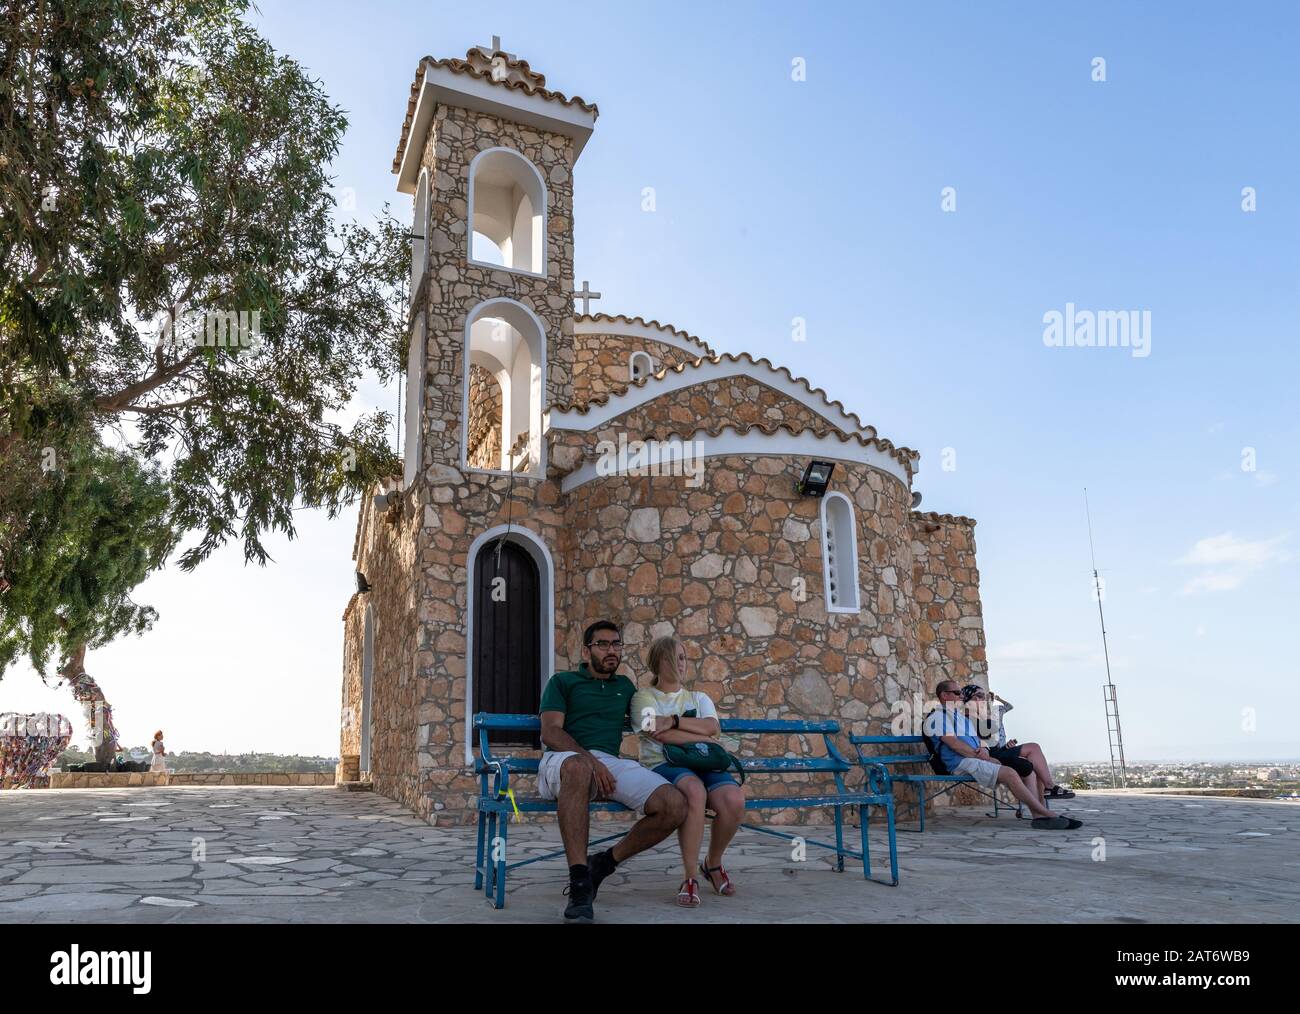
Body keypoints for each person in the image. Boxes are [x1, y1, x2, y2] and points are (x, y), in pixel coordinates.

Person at [538, 620, 688, 922]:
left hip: (609, 761)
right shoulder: (563, 682)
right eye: (603, 644)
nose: (611, 651)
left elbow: (649, 720)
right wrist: (592, 762)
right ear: (586, 650)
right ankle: (580, 883)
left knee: (675, 804)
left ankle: (604, 863)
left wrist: (688, 721)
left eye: (616, 644)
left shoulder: (625, 688)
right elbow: (551, 733)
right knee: (580, 768)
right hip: (564, 760)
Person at [631, 634, 745, 907]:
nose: (683, 664)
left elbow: (712, 727)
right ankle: (690, 877)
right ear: (660, 660)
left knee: (734, 800)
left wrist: (673, 721)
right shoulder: (643, 697)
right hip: (664, 763)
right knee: (694, 792)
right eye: (677, 657)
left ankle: (713, 864)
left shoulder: (698, 697)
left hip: (703, 761)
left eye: (684, 658)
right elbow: (658, 735)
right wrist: (701, 737)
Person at [923, 681, 1081, 830]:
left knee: (1029, 771)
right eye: (957, 693)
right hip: (961, 763)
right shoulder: (938, 717)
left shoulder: (961, 719)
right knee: (1010, 773)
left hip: (973, 758)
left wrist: (984, 751)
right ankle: (1049, 814)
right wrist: (981, 755)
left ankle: (1039, 816)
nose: (961, 696)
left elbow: (977, 742)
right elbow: (955, 744)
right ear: (944, 696)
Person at [963, 685, 1074, 802]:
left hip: (997, 753)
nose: (984, 699)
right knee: (1030, 764)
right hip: (988, 758)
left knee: (1034, 754)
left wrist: (1006, 747)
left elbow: (990, 742)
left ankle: (1046, 799)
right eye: (980, 696)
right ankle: (1045, 801)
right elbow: (982, 743)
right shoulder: (968, 718)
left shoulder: (980, 716)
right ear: (969, 699)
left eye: (984, 696)